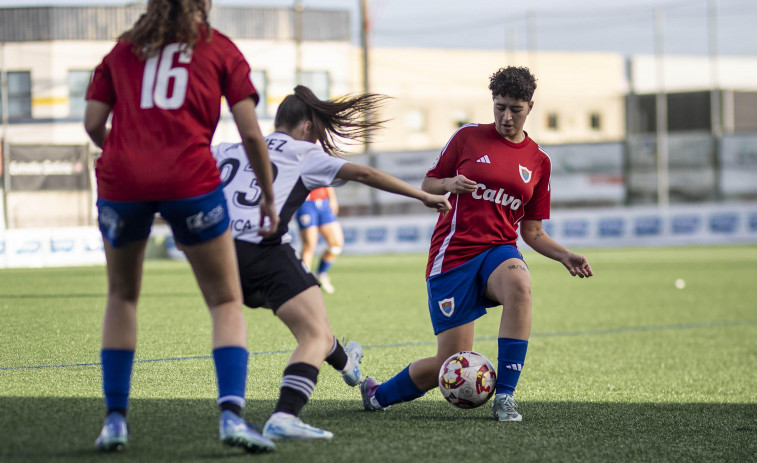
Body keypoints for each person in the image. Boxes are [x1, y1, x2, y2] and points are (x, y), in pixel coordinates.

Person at [84, 0, 279, 453]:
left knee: (122, 295)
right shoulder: (220, 49)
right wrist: (268, 195)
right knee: (226, 299)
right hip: (189, 180)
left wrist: (125, 153)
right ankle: (231, 417)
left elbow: (93, 123)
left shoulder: (122, 51)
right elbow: (251, 134)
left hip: (121, 182)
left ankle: (115, 421)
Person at [212, 85, 451, 440]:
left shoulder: (227, 148)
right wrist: (422, 195)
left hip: (217, 255)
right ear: (307, 127)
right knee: (316, 335)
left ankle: (348, 364)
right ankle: (285, 415)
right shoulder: (303, 153)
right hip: (263, 250)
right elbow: (365, 174)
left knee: (311, 324)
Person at [359, 66, 594, 422]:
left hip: (499, 250)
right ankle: (378, 395)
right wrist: (450, 183)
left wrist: (565, 256)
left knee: (520, 286)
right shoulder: (467, 137)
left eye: (515, 108)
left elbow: (532, 232)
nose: (506, 116)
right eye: (499, 107)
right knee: (448, 362)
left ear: (530, 106)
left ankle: (505, 397)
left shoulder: (539, 161)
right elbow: (428, 184)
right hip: (452, 256)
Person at [295, 186, 343, 293]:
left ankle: (321, 273)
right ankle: (304, 284)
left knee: (336, 245)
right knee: (309, 246)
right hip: (306, 203)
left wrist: (333, 199)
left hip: (323, 202)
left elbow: (327, 177)